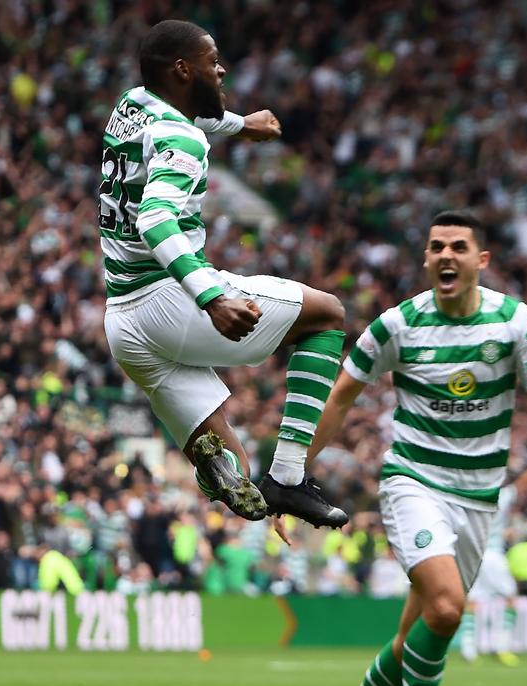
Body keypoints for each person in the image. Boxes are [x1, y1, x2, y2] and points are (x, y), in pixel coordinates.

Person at [308, 211, 527, 686]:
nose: (446, 256)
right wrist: (289, 475)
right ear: (427, 259)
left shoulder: (514, 322)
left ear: (481, 260)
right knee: (449, 608)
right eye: (437, 247)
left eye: (458, 247)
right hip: (414, 481)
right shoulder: (398, 324)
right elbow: (341, 399)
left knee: (415, 634)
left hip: (478, 498)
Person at [100, 19, 347, 530]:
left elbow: (184, 122)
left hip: (123, 325)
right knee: (327, 315)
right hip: (172, 304)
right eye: (213, 61)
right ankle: (291, 476)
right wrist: (211, 296)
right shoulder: (184, 142)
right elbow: (154, 218)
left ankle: (223, 469)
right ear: (184, 68)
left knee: (239, 472)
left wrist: (240, 124)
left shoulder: (131, 105)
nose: (223, 68)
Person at [458, 456, 527, 667]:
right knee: (510, 598)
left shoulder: (467, 497)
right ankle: (502, 645)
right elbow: (526, 481)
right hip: (493, 554)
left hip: (473, 555)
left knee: (472, 601)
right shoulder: (501, 495)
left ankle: (469, 647)